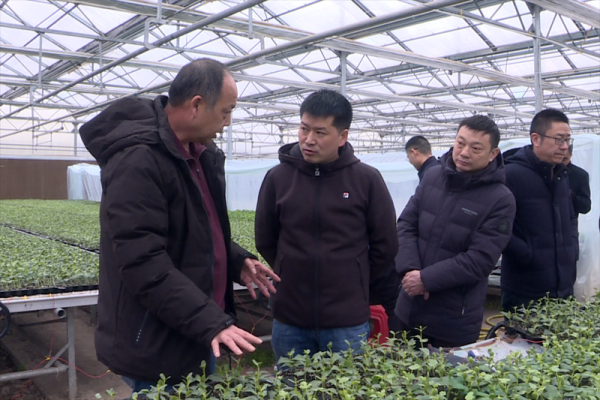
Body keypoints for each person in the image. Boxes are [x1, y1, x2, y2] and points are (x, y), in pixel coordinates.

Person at [79, 58, 280, 393]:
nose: (228, 122)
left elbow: (195, 229)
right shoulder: (139, 160)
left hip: (194, 329)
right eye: (226, 111)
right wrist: (211, 322)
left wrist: (236, 260)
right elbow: (143, 261)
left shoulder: (200, 154)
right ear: (196, 105)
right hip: (158, 342)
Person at [255, 89, 398, 363]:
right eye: (304, 128)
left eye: (320, 132)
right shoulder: (278, 178)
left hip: (346, 320)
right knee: (291, 383)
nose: (309, 140)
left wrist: (354, 278)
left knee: (344, 384)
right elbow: (265, 238)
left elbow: (386, 245)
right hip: (290, 317)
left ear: (342, 136)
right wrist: (289, 267)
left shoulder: (366, 179)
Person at [394, 115, 516, 348]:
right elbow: (406, 224)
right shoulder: (433, 176)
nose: (464, 152)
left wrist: (427, 280)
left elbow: (480, 259)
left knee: (445, 371)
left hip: (453, 321)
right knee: (398, 367)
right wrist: (410, 270)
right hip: (408, 308)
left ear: (493, 154)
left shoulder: (500, 199)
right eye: (460, 143)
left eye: (476, 148)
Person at [501, 108, 578, 312]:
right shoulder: (511, 174)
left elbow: (570, 216)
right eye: (559, 139)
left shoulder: (560, 173)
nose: (564, 146)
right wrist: (527, 254)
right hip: (525, 289)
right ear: (536, 138)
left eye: (567, 140)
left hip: (563, 286)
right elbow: (496, 225)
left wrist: (571, 248)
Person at [563, 144, 591, 218]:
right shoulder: (545, 171)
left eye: (564, 159)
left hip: (568, 222)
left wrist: (570, 195)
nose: (560, 162)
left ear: (571, 155)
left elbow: (586, 207)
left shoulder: (580, 175)